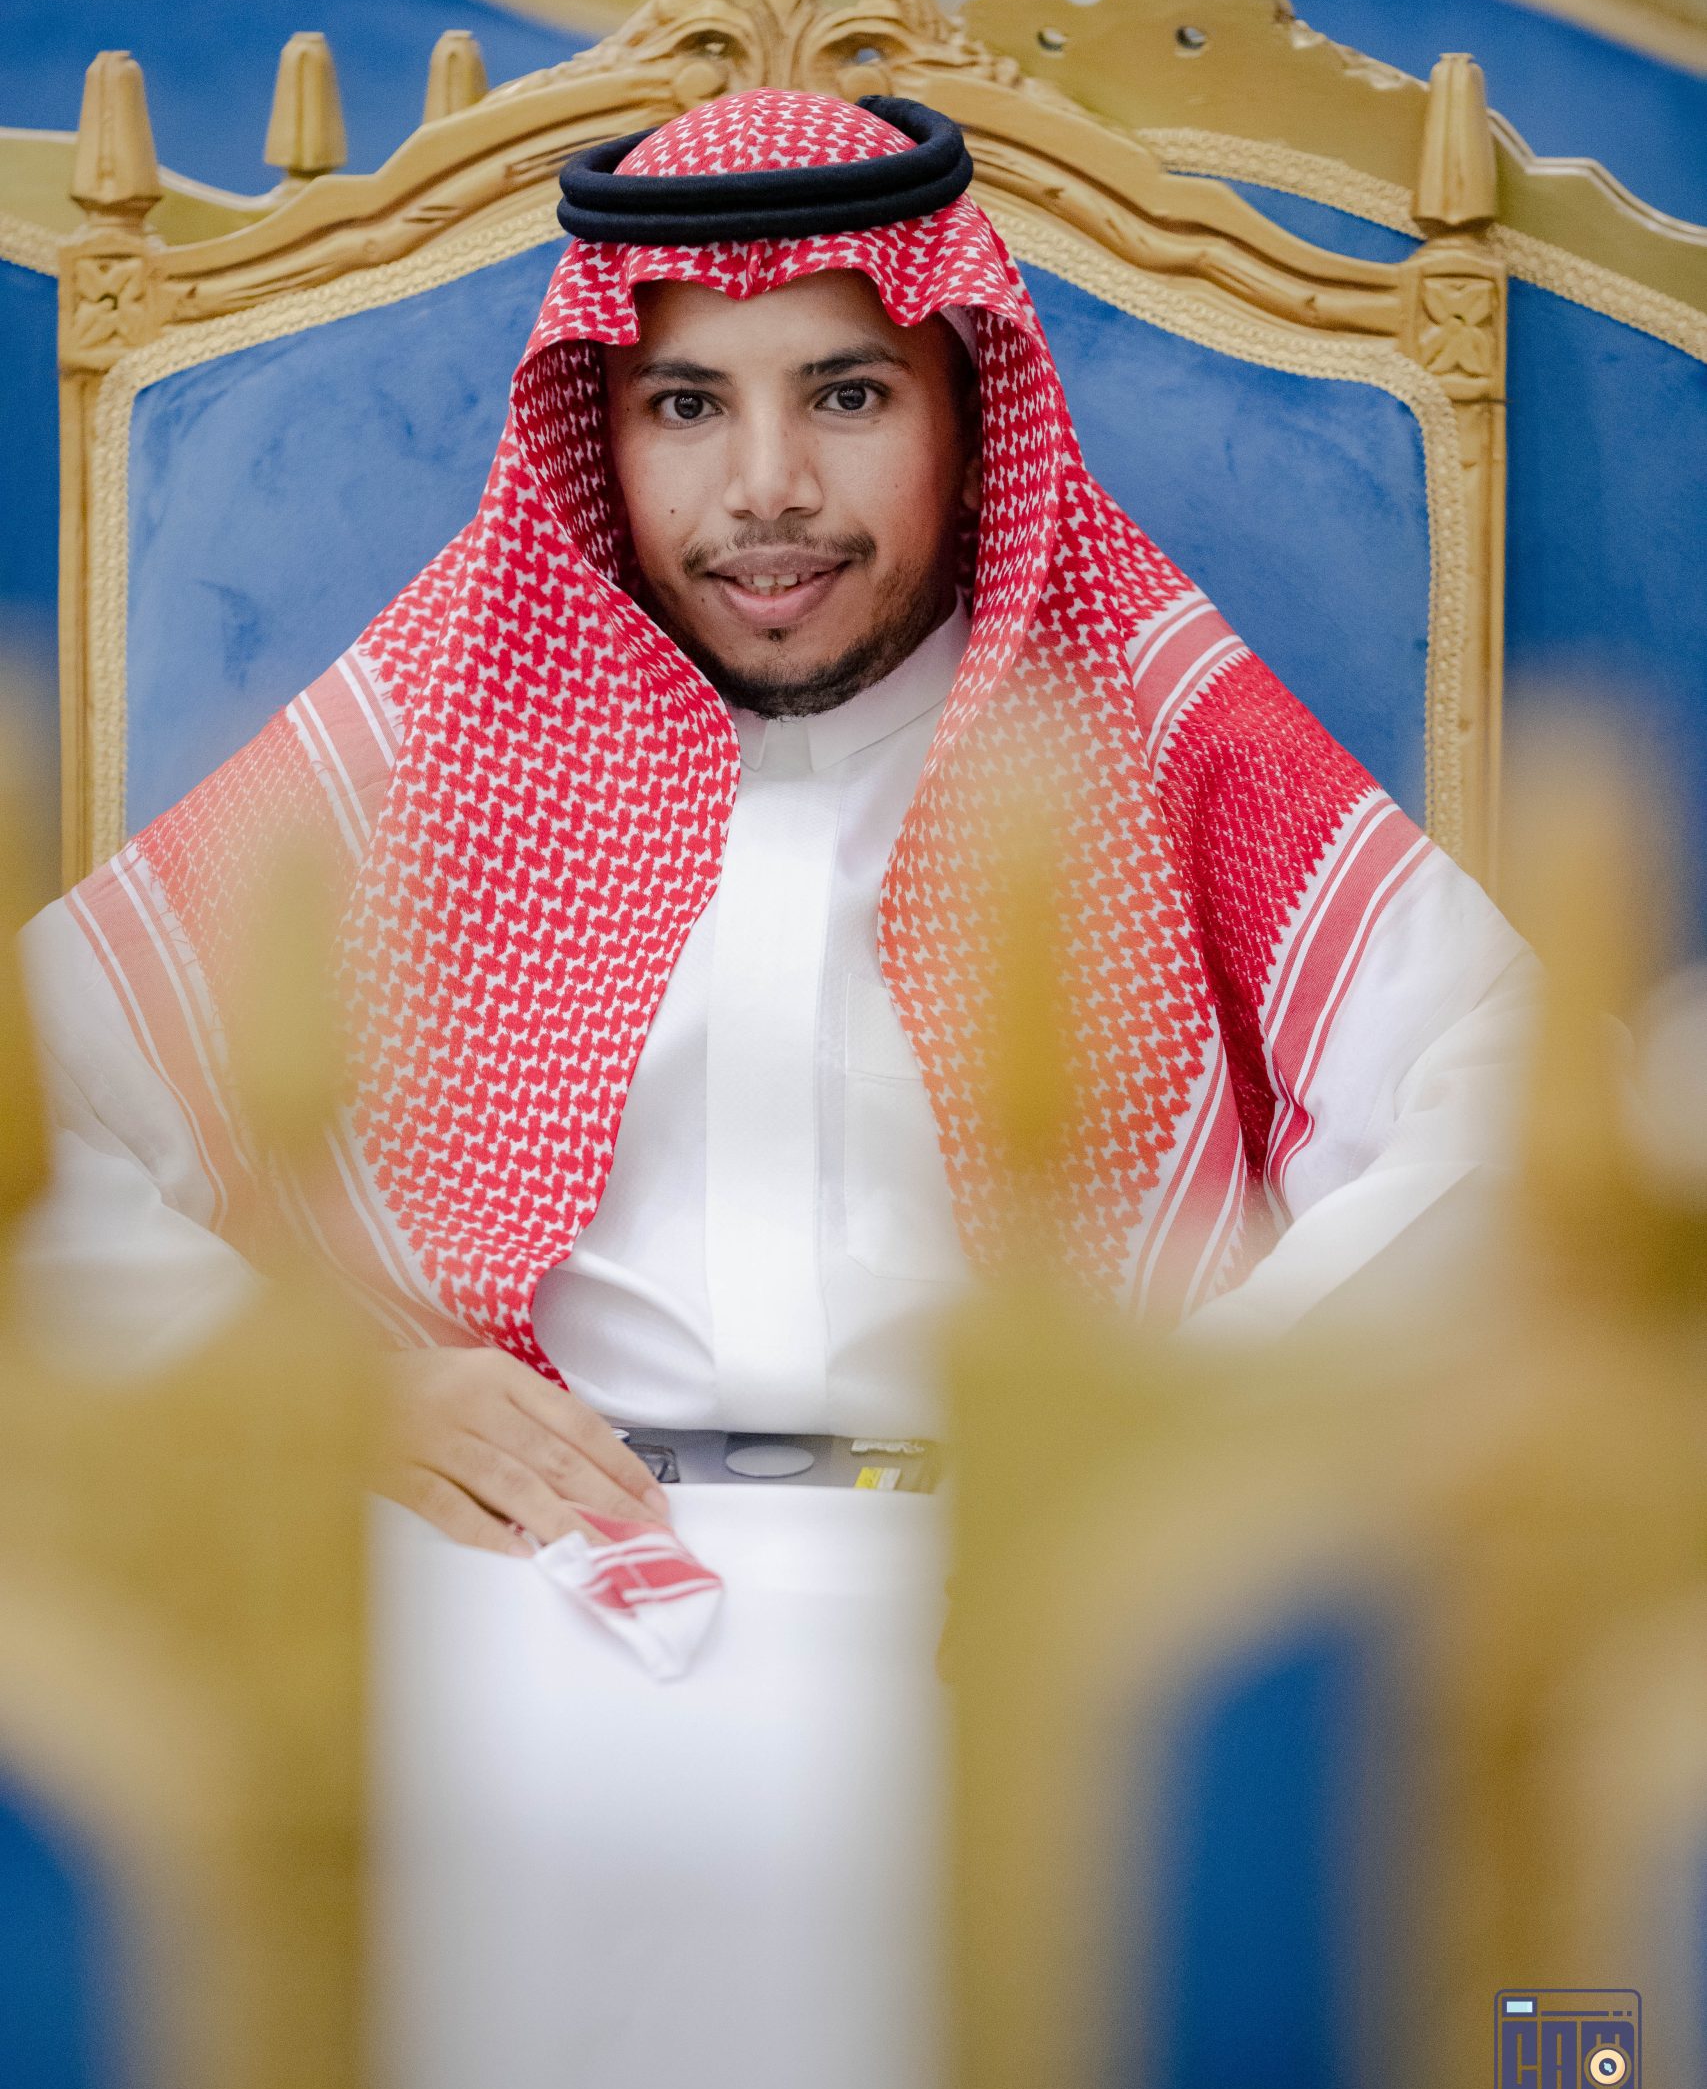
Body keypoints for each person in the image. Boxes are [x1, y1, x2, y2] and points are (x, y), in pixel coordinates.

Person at [21, 86, 1530, 1556]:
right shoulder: (445, 723)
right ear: (601, 439)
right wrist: (337, 1406)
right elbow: (35, 1105)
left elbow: (1512, 1096)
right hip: (526, 1573)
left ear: (972, 423)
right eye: (687, 406)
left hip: (1036, 1581)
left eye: (847, 395)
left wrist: (1203, 1427)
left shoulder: (1147, 718)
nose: (767, 490)